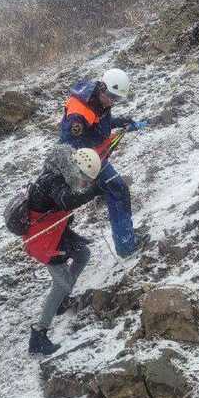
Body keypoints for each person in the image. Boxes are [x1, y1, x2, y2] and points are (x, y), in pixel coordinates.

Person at [59, 68, 149, 257]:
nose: (113, 102)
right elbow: (71, 146)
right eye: (111, 97)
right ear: (103, 89)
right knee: (118, 190)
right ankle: (126, 245)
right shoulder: (78, 113)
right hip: (85, 162)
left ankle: (126, 237)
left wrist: (122, 122)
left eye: (117, 99)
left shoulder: (100, 98)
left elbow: (99, 123)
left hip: (95, 156)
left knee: (117, 190)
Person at [24, 145, 103, 355]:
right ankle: (39, 335)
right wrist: (94, 190)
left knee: (83, 254)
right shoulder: (53, 181)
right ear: (75, 168)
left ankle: (61, 300)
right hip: (43, 241)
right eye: (84, 179)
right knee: (62, 284)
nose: (83, 184)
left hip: (54, 234)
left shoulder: (59, 173)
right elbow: (67, 200)